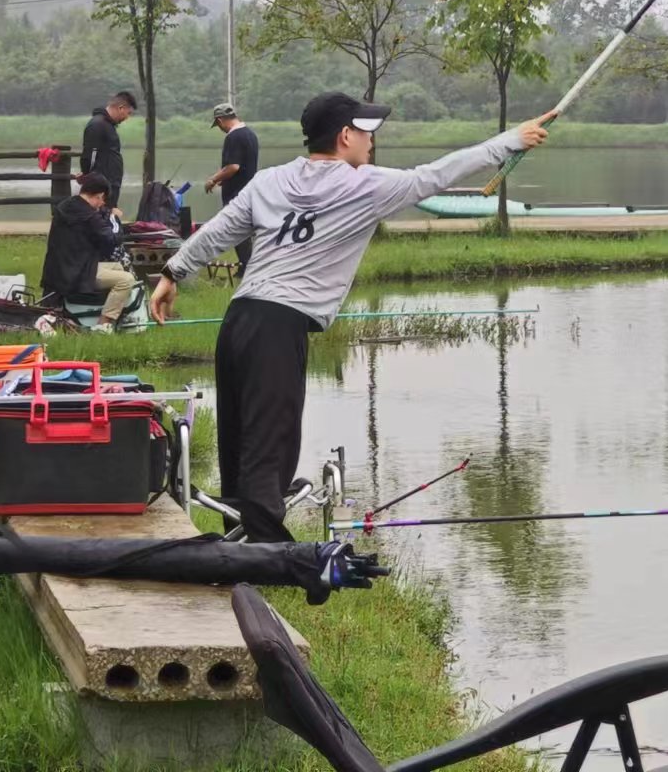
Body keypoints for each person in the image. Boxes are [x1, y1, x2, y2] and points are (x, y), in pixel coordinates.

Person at [153, 92, 554, 542]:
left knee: (239, 444)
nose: (371, 141)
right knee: (270, 451)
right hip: (279, 330)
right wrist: (510, 141)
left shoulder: (270, 180)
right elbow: (438, 174)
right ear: (345, 136)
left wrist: (173, 272)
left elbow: (222, 229)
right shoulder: (366, 186)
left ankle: (239, 543)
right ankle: (273, 557)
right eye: (366, 131)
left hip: (239, 321)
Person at [40, 171, 137, 334]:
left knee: (118, 268)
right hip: (78, 274)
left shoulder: (64, 206)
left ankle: (115, 312)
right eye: (103, 199)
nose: (102, 204)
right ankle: (104, 324)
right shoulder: (90, 216)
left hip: (58, 271)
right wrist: (114, 218)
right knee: (126, 280)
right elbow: (112, 240)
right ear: (99, 195)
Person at [204, 102, 260, 278]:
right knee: (243, 232)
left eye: (218, 125)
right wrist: (225, 178)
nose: (219, 128)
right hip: (248, 190)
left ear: (220, 120)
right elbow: (243, 167)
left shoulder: (233, 137)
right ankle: (248, 267)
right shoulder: (250, 134)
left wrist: (214, 179)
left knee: (237, 232)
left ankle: (247, 269)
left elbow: (233, 166)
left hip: (237, 194)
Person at [81, 91, 137, 212]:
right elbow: (89, 155)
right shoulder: (97, 125)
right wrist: (87, 175)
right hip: (100, 186)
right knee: (101, 219)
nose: (127, 117)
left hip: (111, 183)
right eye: (128, 113)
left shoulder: (108, 126)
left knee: (107, 219)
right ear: (121, 108)